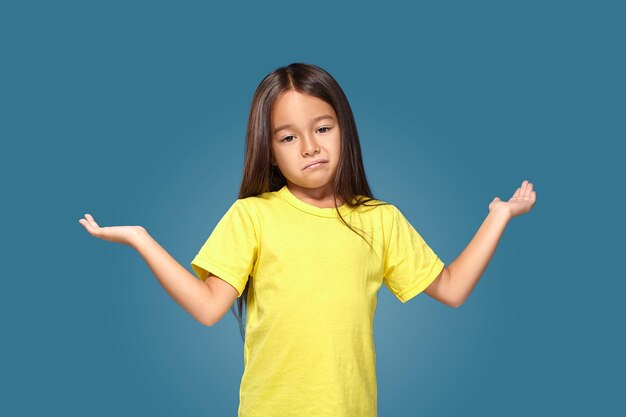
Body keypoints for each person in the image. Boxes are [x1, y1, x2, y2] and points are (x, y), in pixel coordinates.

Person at [78, 63, 537, 417]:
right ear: (271, 152)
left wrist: (499, 216)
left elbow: (453, 290)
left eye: (322, 128)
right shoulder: (252, 215)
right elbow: (207, 307)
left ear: (344, 130)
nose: (310, 147)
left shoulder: (380, 220)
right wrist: (141, 239)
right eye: (288, 137)